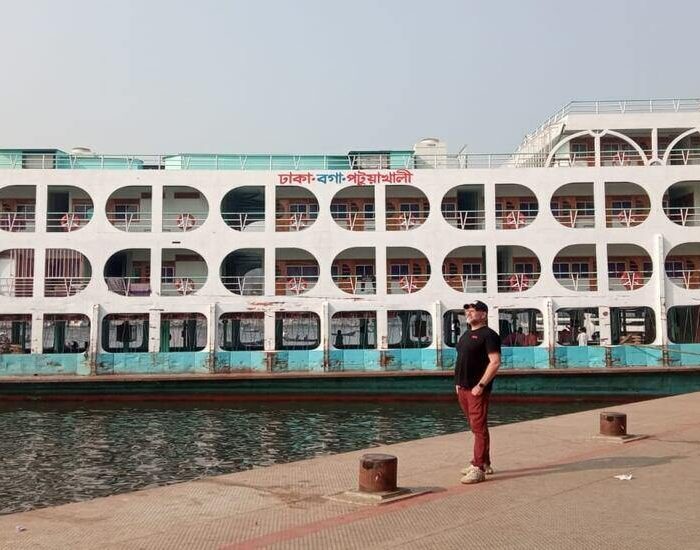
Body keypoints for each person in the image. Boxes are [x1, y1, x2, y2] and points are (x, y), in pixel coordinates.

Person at [454, 301, 502, 484]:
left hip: (476, 389)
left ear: (483, 314)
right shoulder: (467, 334)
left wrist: (481, 385)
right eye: (467, 310)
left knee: (478, 427)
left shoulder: (489, 335)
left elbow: (495, 362)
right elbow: (462, 359)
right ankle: (485, 462)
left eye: (473, 311)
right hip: (463, 388)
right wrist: (457, 383)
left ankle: (478, 468)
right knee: (477, 426)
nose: (469, 313)